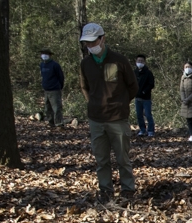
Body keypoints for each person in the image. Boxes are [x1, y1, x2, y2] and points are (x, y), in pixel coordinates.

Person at [79, 23, 139, 204]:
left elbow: (133, 86)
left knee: (123, 158)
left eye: (93, 41)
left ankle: (128, 190)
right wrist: (93, 103)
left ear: (102, 38)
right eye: (87, 43)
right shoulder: (85, 63)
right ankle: (105, 190)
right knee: (101, 160)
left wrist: (120, 104)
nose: (90, 46)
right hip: (96, 119)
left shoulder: (119, 60)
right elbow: (84, 87)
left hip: (117, 119)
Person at [39, 49, 65, 128]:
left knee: (56, 108)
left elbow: (61, 77)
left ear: (50, 55)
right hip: (46, 90)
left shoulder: (55, 65)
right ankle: (51, 123)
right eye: (42, 54)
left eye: (46, 54)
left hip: (54, 90)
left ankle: (59, 124)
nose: (44, 55)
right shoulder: (42, 65)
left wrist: (59, 86)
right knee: (47, 108)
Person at [134, 54, 155, 137]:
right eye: (138, 61)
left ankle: (150, 130)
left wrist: (144, 91)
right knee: (139, 115)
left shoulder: (148, 73)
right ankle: (142, 130)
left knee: (148, 114)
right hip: (137, 97)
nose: (140, 62)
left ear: (144, 62)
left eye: (141, 61)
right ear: (136, 62)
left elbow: (151, 84)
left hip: (146, 98)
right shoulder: (134, 72)